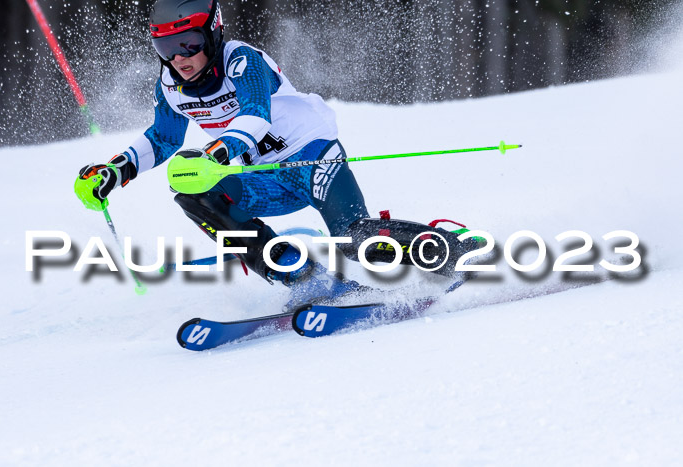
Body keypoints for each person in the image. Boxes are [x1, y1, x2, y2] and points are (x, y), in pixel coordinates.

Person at [75, 0, 473, 309]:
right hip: (265, 178)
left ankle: (455, 251)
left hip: (312, 158)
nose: (179, 58)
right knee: (195, 193)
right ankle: (303, 278)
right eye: (166, 47)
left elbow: (255, 115)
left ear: (212, 34)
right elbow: (162, 138)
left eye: (188, 43)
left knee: (354, 239)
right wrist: (115, 170)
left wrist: (216, 154)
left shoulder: (241, 60)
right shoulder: (170, 84)